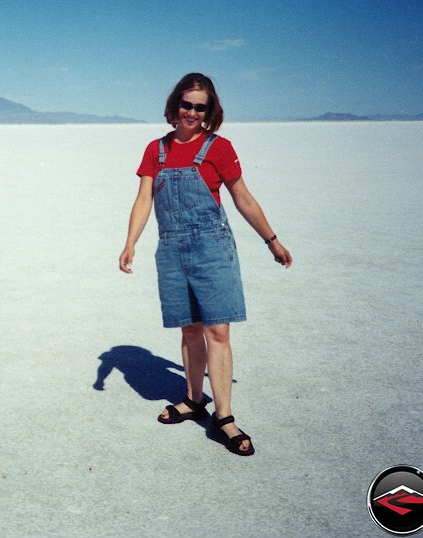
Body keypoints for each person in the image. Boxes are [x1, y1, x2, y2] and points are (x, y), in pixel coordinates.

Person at [118, 73, 291, 456]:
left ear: (209, 111)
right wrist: (130, 243)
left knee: (218, 332)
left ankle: (224, 417)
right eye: (187, 104)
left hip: (212, 250)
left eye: (201, 107)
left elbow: (242, 198)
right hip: (172, 250)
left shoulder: (218, 147)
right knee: (190, 331)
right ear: (174, 106)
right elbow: (144, 199)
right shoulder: (156, 150)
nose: (192, 112)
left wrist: (271, 240)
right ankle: (194, 399)